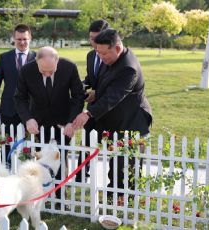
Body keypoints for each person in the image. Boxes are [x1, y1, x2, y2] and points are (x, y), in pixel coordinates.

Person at [72, 29, 153, 197]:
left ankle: (124, 200)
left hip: (132, 122)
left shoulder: (128, 68)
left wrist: (88, 113)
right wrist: (96, 93)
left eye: (103, 53)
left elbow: (113, 97)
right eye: (98, 53)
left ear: (117, 48)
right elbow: (106, 85)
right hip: (115, 119)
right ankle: (114, 196)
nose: (101, 57)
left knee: (125, 166)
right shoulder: (110, 59)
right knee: (115, 161)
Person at [14, 46, 85, 200]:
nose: (47, 74)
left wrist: (70, 122)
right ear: (36, 62)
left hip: (63, 123)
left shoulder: (69, 68)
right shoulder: (26, 70)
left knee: (60, 157)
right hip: (38, 123)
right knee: (40, 160)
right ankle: (41, 196)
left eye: (51, 72)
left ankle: (61, 198)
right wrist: (28, 119)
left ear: (57, 61)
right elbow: (19, 98)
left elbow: (78, 96)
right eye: (43, 71)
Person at [0, 24, 36, 168]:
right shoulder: (4, 57)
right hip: (8, 109)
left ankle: (26, 171)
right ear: (13, 39)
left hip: (29, 110)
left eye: (25, 39)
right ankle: (5, 170)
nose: (22, 42)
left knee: (28, 144)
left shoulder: (37, 57)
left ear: (30, 38)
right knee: (6, 143)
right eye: (19, 39)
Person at [75, 19, 109, 183]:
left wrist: (98, 92)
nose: (94, 42)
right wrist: (79, 85)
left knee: (113, 147)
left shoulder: (112, 56)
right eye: (91, 38)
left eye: (97, 38)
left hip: (110, 108)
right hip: (92, 108)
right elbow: (91, 78)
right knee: (86, 142)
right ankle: (81, 175)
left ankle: (115, 183)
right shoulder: (90, 55)